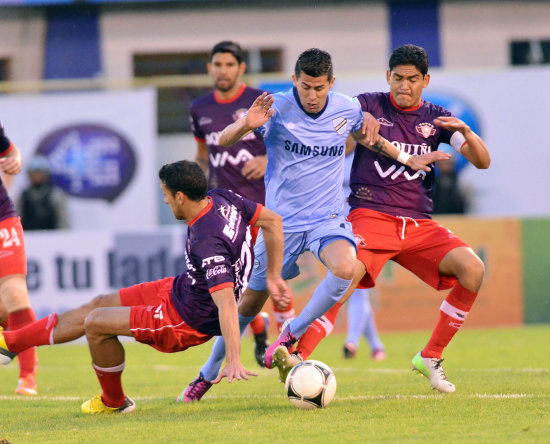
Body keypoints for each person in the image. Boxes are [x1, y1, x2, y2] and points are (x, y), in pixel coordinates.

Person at [180, 48, 448, 402]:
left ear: (331, 84)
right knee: (247, 305)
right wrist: (246, 123)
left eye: (318, 88)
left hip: (328, 217)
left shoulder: (346, 108)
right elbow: (223, 139)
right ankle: (207, 374)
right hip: (282, 225)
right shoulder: (274, 106)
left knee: (347, 267)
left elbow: (374, 140)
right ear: (294, 80)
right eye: (305, 86)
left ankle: (292, 332)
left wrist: (407, 158)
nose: (311, 95)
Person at [274, 44, 490, 394]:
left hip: (418, 223)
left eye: (413, 80)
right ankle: (296, 353)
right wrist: (351, 131)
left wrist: (466, 132)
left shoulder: (437, 118)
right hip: (371, 213)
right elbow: (337, 133)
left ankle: (430, 357)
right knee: (346, 277)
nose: (404, 86)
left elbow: (482, 162)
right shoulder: (366, 105)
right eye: (398, 78)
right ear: (388, 77)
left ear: (425, 80)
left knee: (474, 269)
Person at [0, 160, 289, 413]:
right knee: (99, 303)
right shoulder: (222, 198)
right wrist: (274, 276)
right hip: (182, 289)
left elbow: (226, 303)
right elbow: (272, 221)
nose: (164, 201)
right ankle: (11, 342)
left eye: (165, 194)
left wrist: (234, 358)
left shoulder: (207, 240)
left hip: (185, 321)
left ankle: (114, 402)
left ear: (179, 196)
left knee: (96, 324)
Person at [190, 41, 295, 367]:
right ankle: (260, 323)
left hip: (262, 207)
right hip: (223, 211)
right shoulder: (200, 109)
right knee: (229, 288)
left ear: (240, 69)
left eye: (229, 65)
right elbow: (203, 156)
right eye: (217, 65)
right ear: (209, 68)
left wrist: (265, 157)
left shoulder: (258, 101)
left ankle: (289, 345)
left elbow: (289, 142)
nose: (223, 71)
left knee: (272, 277)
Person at [0, 122, 39, 395]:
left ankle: (28, 376)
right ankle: (14, 341)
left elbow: (12, 153)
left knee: (15, 294)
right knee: (5, 312)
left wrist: (15, 161)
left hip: (1, 218)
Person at [341, 151, 385, 360]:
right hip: (334, 227)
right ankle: (376, 345)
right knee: (349, 286)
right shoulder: (329, 149)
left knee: (357, 287)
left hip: (361, 224)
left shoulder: (365, 154)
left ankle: (352, 341)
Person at [17, 155, 69, 230]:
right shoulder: (24, 195)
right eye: (34, 173)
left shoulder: (55, 194)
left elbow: (63, 219)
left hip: (51, 237)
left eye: (40, 173)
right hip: (29, 237)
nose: (37, 176)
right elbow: (16, 217)